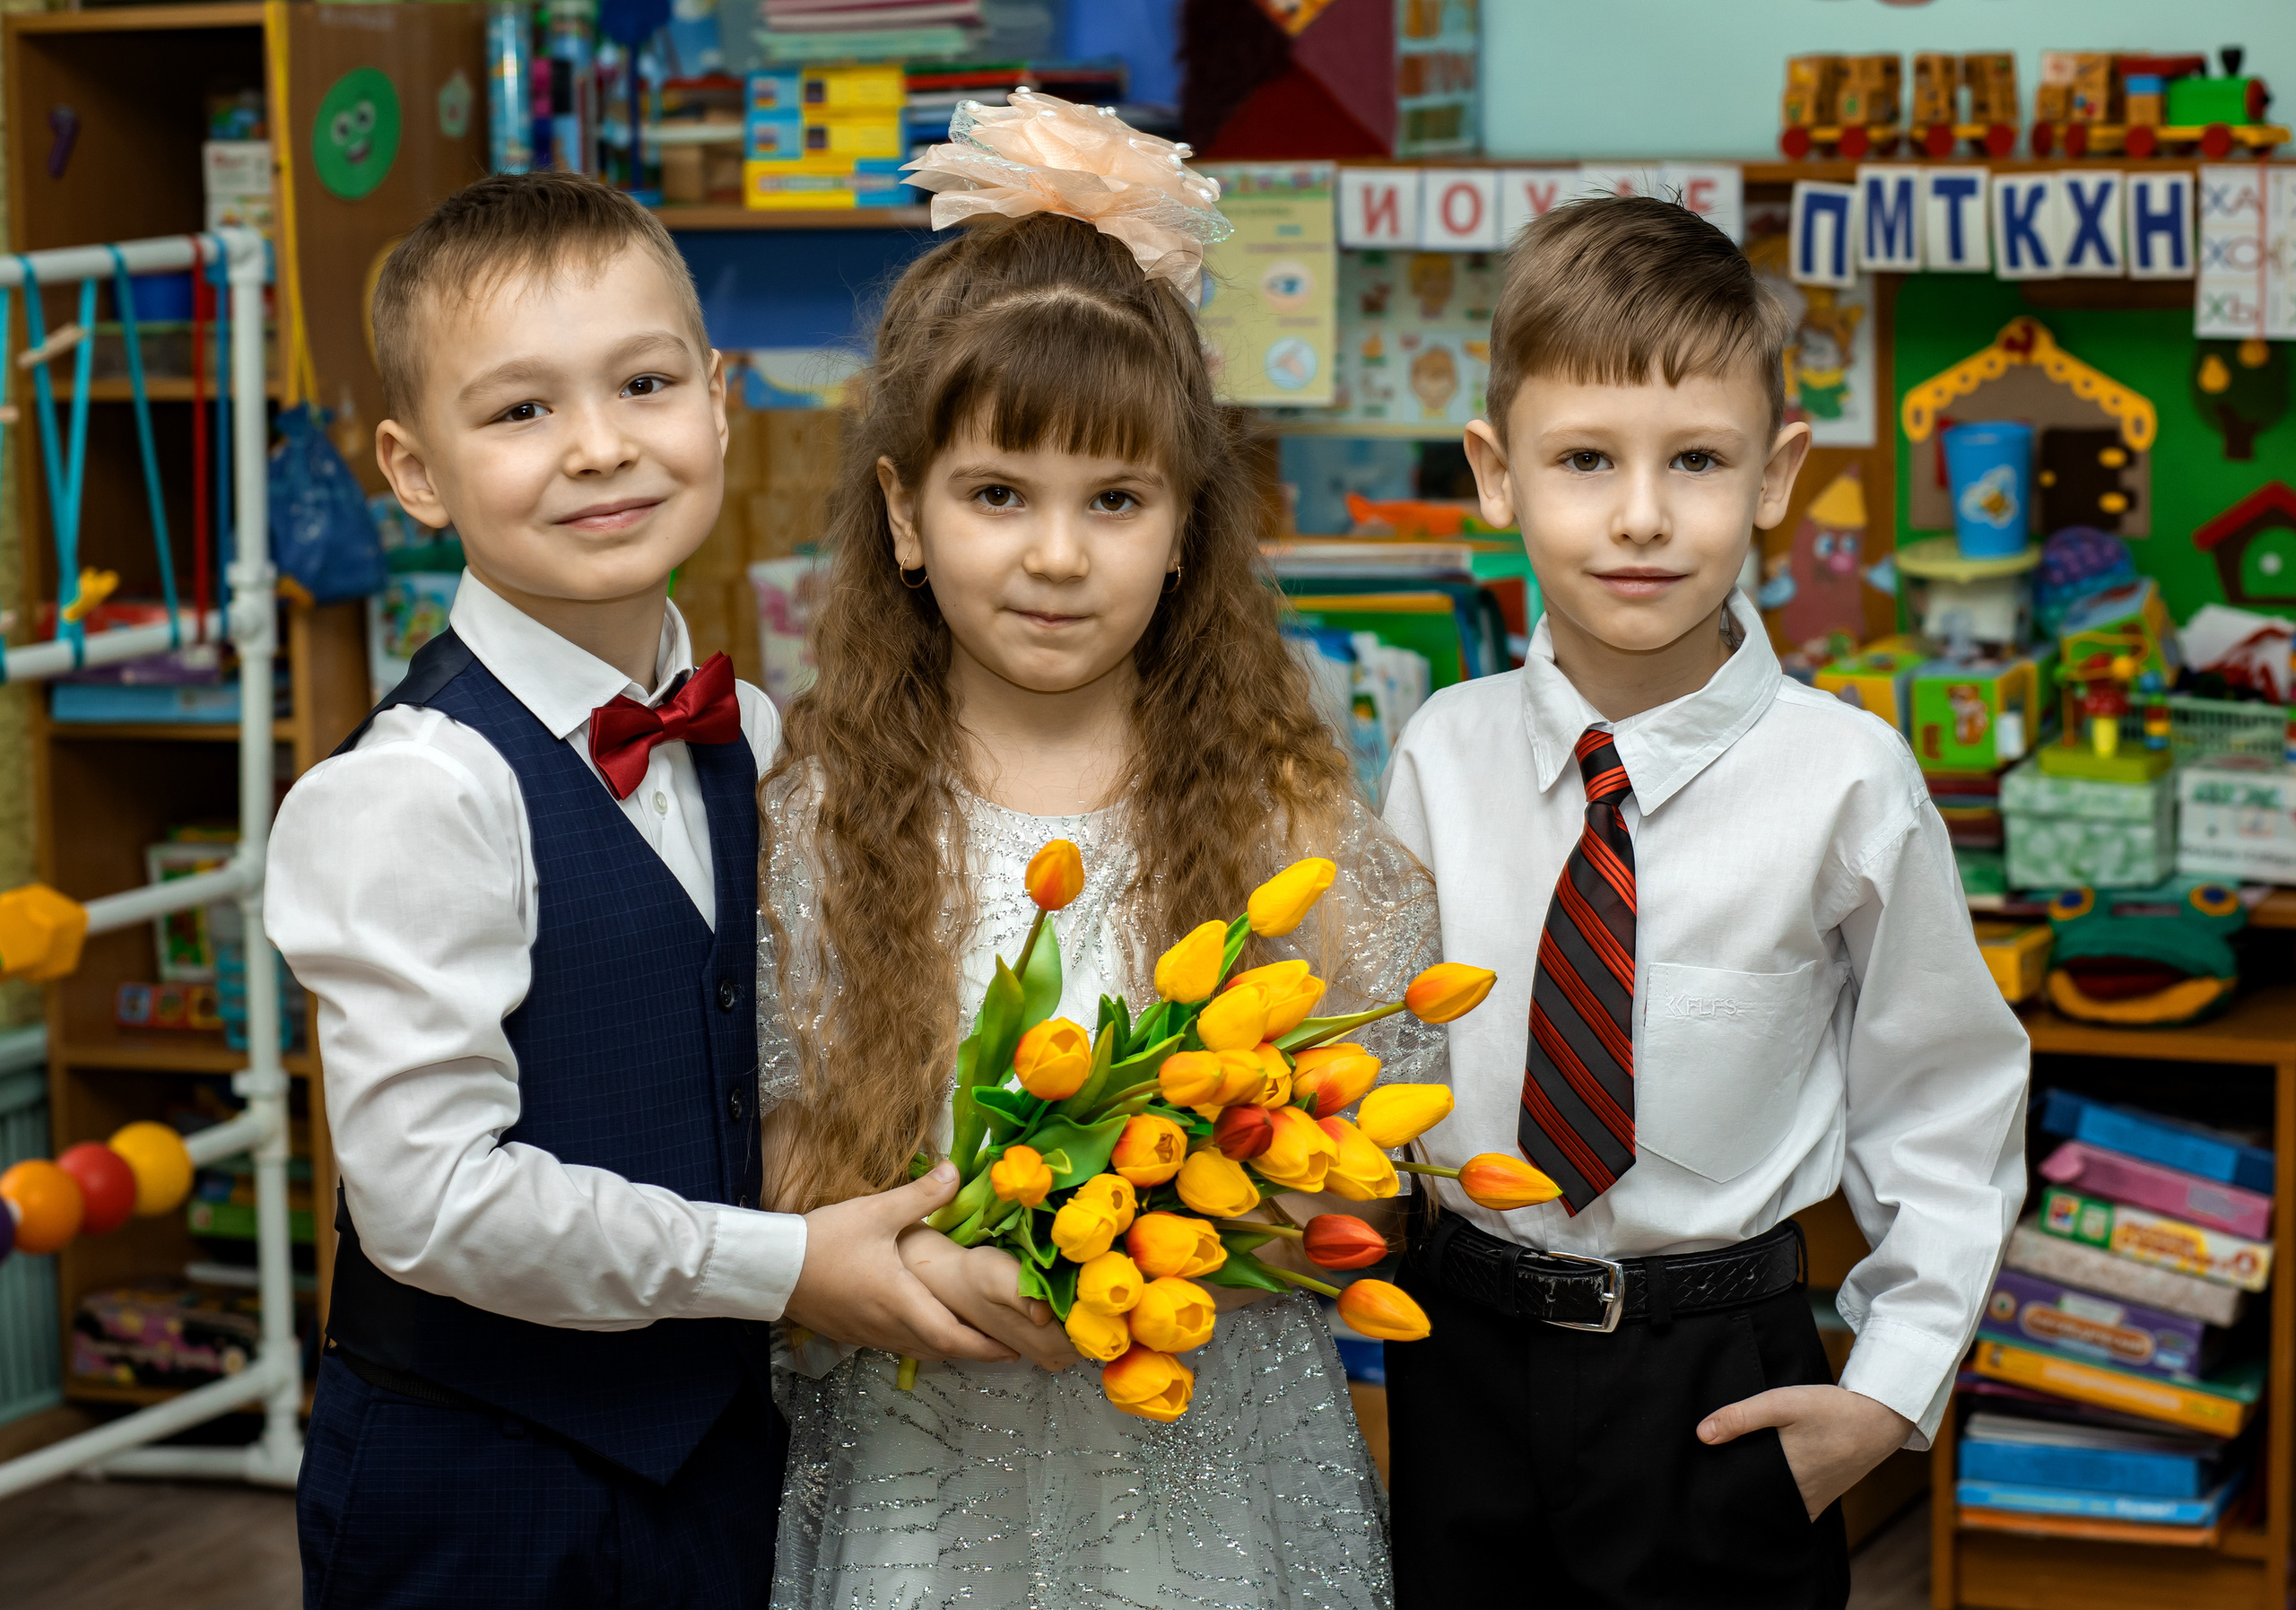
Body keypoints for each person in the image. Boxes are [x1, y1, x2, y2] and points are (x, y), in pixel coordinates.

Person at [268, 171, 1010, 1610]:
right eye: (520, 411)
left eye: (645, 383)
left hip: (720, 1460)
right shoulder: (414, 793)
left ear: (718, 399)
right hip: (479, 1486)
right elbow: (429, 1203)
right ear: (414, 472)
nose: (601, 448)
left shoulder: (758, 739)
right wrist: (784, 1264)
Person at [755, 92, 1437, 1610]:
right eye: (999, 494)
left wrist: (1202, 1221)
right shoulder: (823, 820)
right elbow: (782, 1155)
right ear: (906, 512)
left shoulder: (1281, 820)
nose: (1058, 555)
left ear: (1188, 522)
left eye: (1115, 500)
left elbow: (1372, 1158)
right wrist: (934, 1269)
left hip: (1208, 1472)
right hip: (919, 1461)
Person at [1380, 196, 2029, 1609]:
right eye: (1584, 460)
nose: (1640, 515)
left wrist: (1890, 1388)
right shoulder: (1441, 747)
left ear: (1775, 472)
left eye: (1696, 461)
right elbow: (1390, 1057)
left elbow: (1948, 1100)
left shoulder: (1848, 778)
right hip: (1465, 1351)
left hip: (1719, 1372)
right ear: (1497, 473)